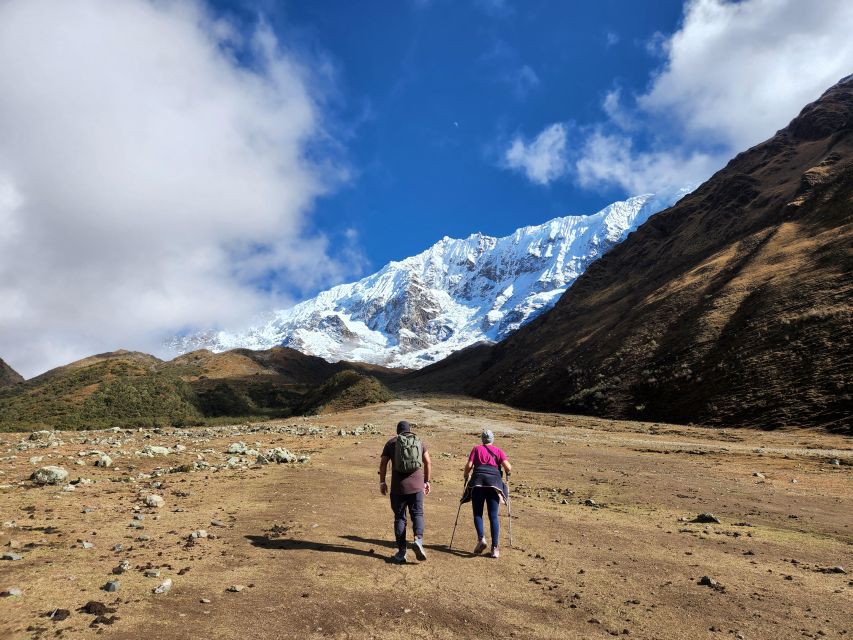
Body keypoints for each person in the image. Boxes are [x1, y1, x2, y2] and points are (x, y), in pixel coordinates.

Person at [378, 420, 432, 563]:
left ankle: (402, 552)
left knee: (400, 517)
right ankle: (418, 540)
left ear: (398, 431)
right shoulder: (419, 442)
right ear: (409, 430)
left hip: (398, 488)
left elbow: (383, 463)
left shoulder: (391, 443)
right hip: (417, 486)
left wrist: (382, 482)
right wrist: (427, 481)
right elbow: (428, 462)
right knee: (417, 514)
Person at [462, 429, 511, 558]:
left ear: (482, 439)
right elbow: (508, 467)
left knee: (478, 513)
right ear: (492, 439)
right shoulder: (498, 451)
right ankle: (495, 548)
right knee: (493, 516)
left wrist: (466, 475)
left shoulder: (476, 449)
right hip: (494, 484)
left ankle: (481, 539)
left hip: (478, 483)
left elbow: (469, 465)